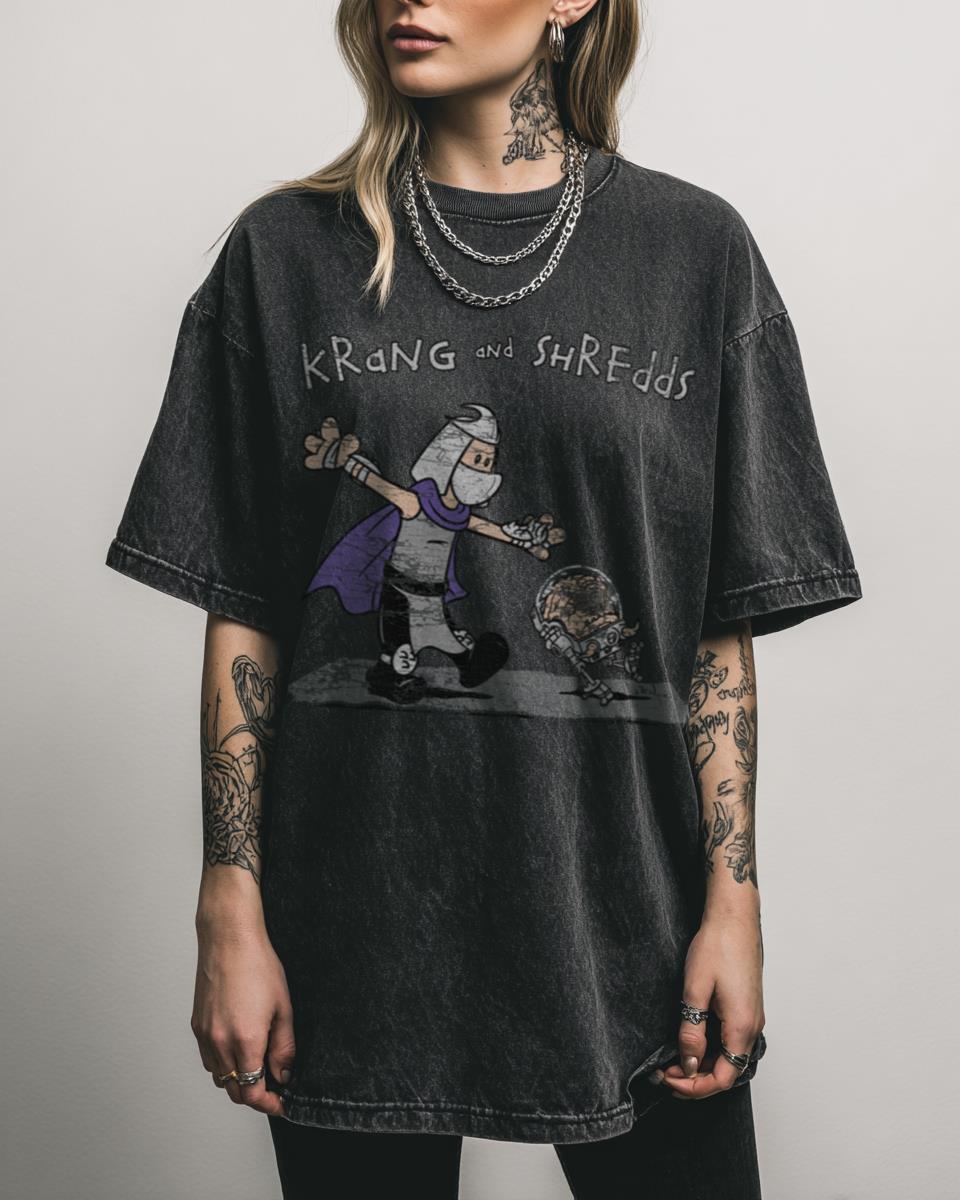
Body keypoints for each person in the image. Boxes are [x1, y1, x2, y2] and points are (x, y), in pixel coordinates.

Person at [104, 0, 864, 1195]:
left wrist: (735, 903)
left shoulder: (694, 253)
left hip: (628, 916)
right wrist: (229, 905)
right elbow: (243, 606)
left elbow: (716, 631)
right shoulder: (285, 253)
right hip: (351, 923)